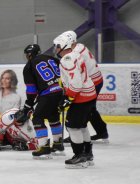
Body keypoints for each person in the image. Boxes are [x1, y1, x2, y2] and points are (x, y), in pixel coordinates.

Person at [53, 32, 97, 168]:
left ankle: (79, 156)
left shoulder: (66, 59)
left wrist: (68, 98)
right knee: (82, 126)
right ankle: (87, 154)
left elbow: (76, 82)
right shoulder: (77, 55)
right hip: (90, 95)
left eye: (57, 46)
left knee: (73, 127)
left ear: (63, 45)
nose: (55, 49)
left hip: (81, 98)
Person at [61, 30, 109, 143]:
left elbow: (76, 74)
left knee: (85, 109)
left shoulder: (74, 53)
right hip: (95, 81)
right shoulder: (80, 46)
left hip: (92, 83)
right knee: (90, 109)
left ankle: (78, 131)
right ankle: (100, 131)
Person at [22, 44, 64, 159]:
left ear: (30, 55)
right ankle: (58, 144)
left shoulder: (29, 66)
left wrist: (28, 104)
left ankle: (44, 147)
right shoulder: (52, 58)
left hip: (48, 94)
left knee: (37, 118)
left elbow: (31, 90)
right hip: (60, 92)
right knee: (53, 116)